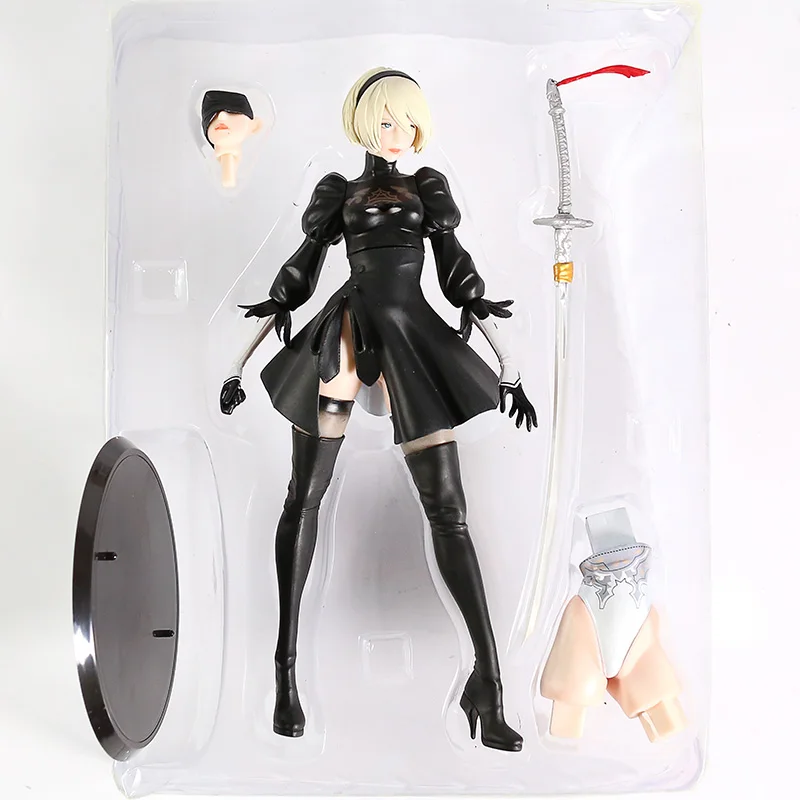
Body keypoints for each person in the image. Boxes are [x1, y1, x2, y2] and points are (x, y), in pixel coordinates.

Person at [220, 67, 536, 752]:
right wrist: (248, 349)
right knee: (304, 497)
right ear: (364, 122)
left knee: (449, 510)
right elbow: (304, 264)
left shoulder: (427, 189)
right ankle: (284, 674)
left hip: (412, 336)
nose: (400, 134)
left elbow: (456, 268)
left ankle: (488, 684)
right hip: (346, 332)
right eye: (388, 121)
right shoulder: (339, 192)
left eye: (410, 122)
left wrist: (502, 354)